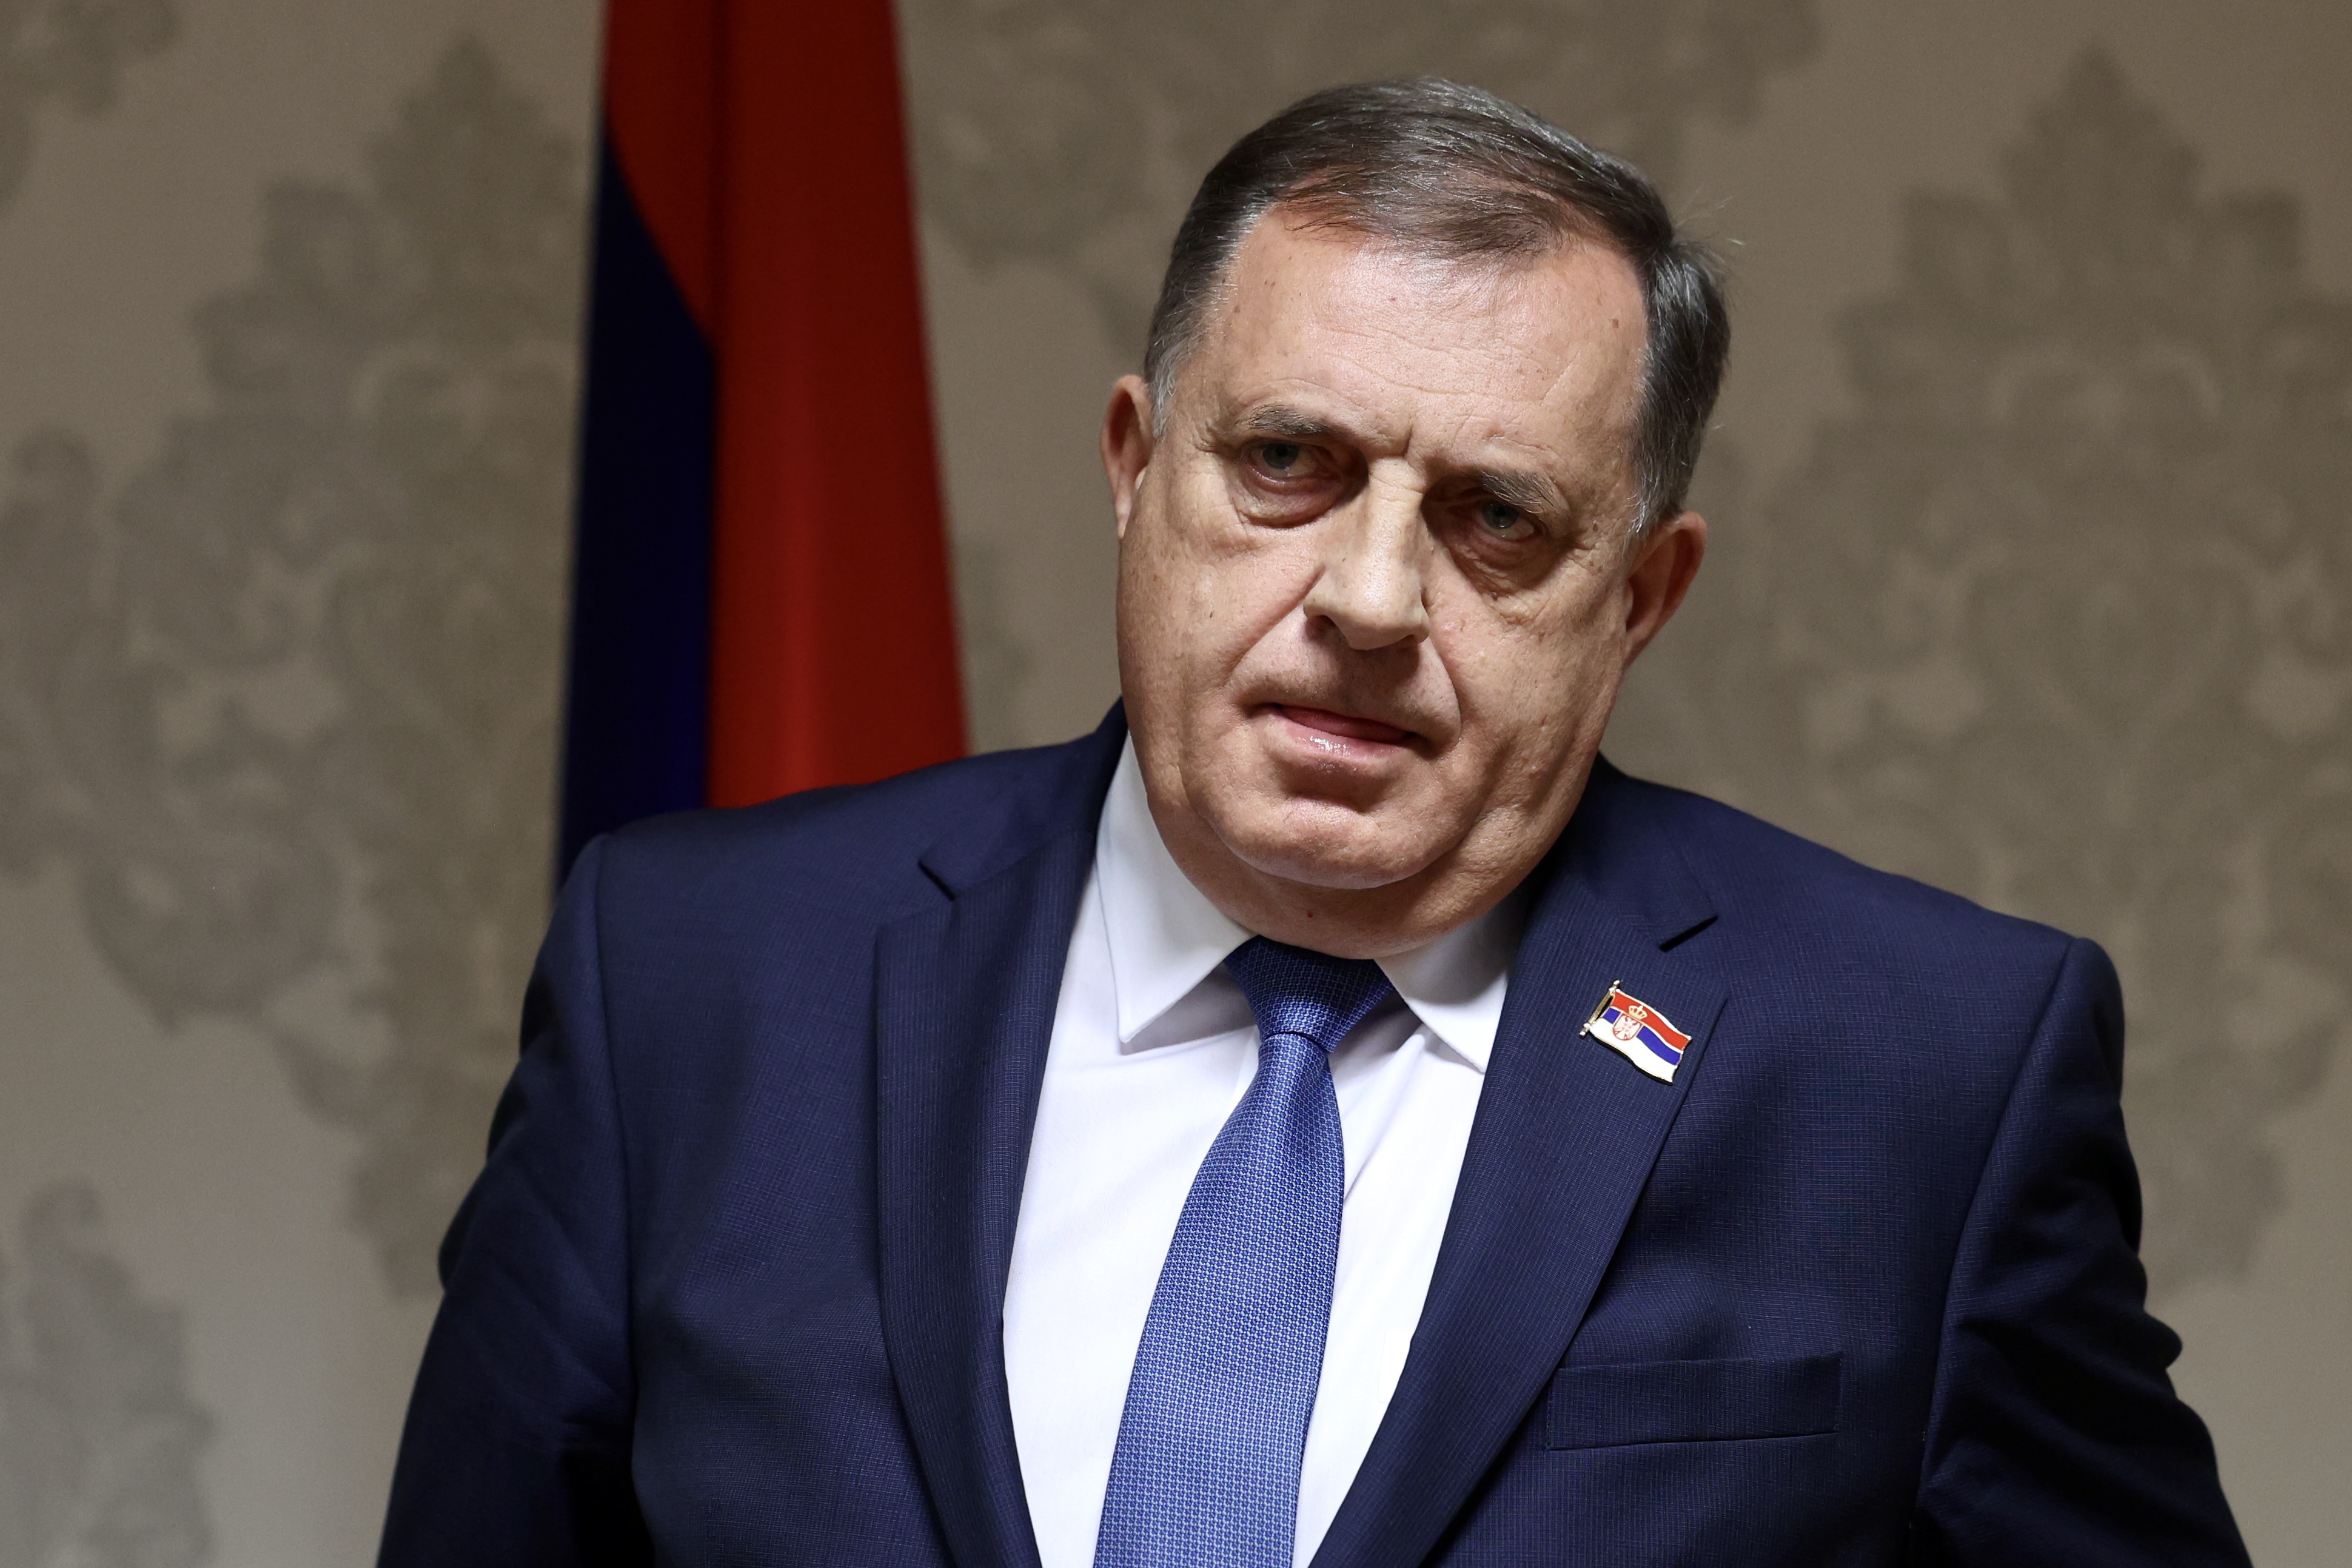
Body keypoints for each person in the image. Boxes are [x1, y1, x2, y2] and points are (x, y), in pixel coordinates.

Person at [378, 78, 2248, 1568]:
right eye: (1288, 461)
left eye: (1497, 518)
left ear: (1641, 597)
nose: (1367, 599)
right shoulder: (688, 982)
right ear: (1136, 467)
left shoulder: (1929, 1073)